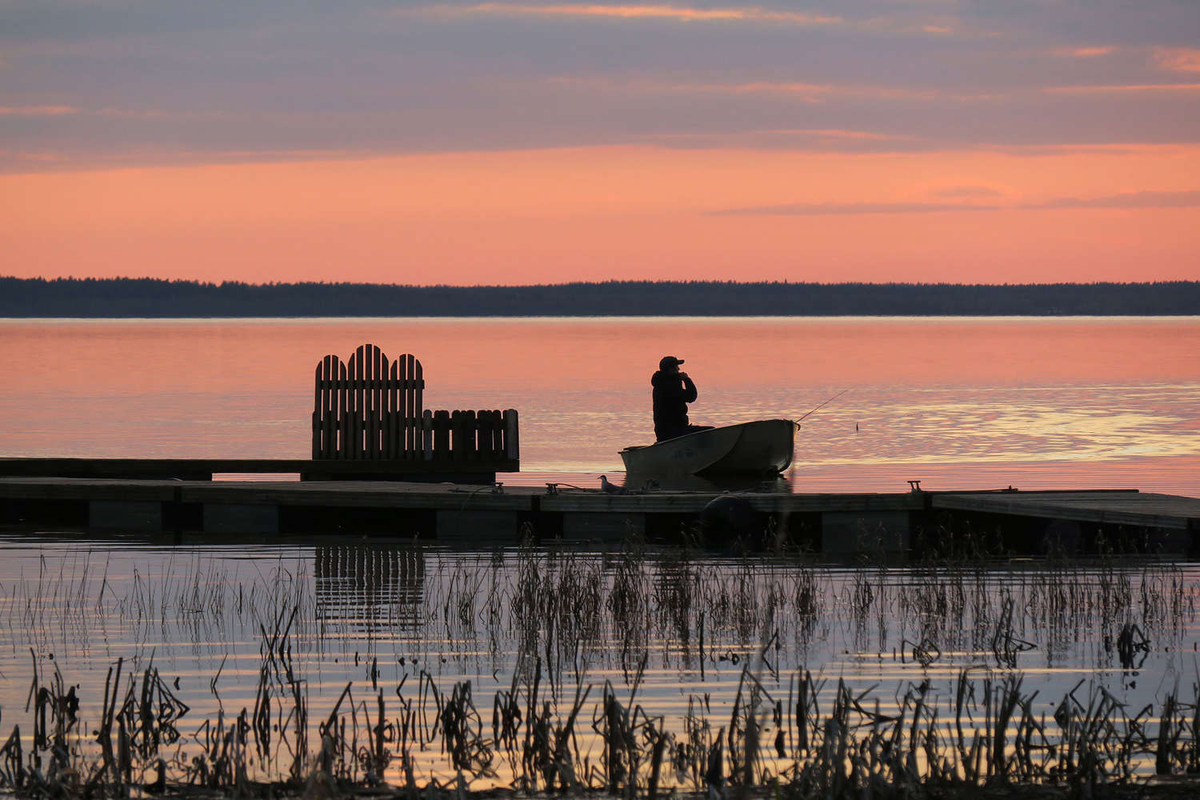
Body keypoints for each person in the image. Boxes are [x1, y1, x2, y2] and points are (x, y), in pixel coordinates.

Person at [652, 355, 712, 441]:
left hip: (673, 430)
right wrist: (687, 379)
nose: (679, 369)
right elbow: (691, 396)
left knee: (707, 431)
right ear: (670, 369)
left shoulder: (664, 383)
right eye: (677, 367)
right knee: (710, 431)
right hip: (671, 432)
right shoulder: (668, 386)